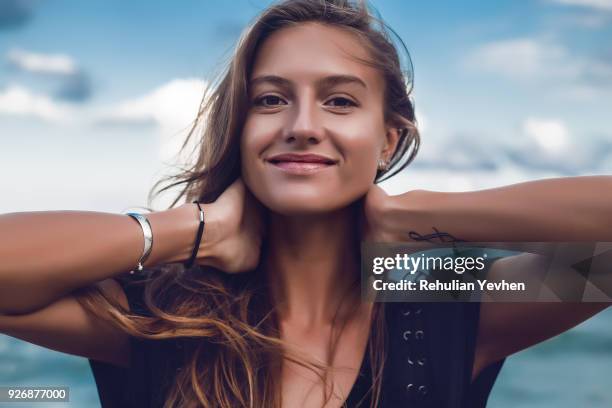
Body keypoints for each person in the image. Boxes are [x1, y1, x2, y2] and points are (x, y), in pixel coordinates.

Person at [1, 0, 611, 407]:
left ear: (388, 138)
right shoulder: (165, 313)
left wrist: (419, 215)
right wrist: (195, 231)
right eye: (269, 100)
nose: (302, 125)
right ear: (239, 130)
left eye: (340, 102)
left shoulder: (441, 298)